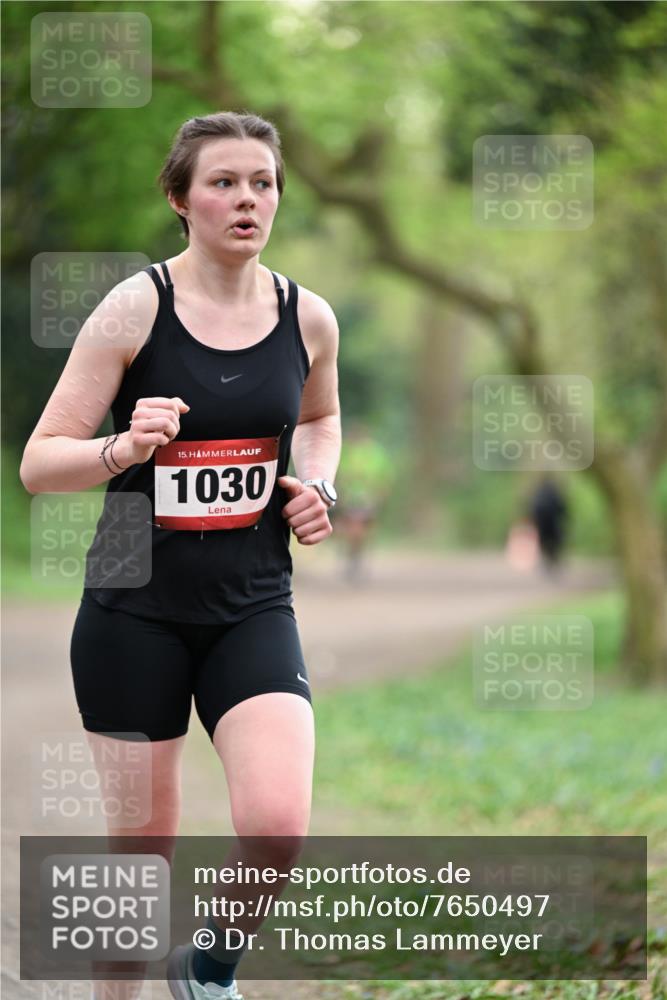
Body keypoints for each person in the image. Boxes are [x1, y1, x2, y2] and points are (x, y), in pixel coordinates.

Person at [20, 111, 342, 1000]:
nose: (247, 199)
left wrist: (318, 485)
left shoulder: (307, 316)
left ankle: (205, 967)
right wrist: (124, 448)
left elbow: (317, 418)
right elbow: (40, 465)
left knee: (276, 826)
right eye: (223, 182)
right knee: (142, 858)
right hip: (133, 612)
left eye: (263, 183)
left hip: (252, 603)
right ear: (180, 198)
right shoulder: (135, 308)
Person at [332, 423, 393, 581]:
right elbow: (337, 473)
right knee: (352, 530)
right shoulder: (345, 452)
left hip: (368, 499)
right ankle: (352, 558)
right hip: (350, 499)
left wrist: (380, 495)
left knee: (362, 532)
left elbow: (384, 476)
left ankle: (357, 558)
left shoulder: (376, 453)